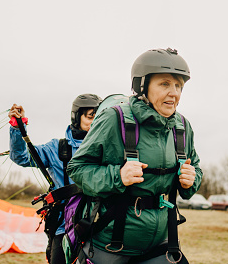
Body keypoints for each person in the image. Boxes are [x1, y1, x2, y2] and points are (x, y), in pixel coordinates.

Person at [67, 48, 202, 263]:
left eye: (179, 86)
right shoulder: (114, 119)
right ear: (142, 85)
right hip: (111, 246)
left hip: (161, 243)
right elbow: (78, 168)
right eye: (165, 84)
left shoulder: (183, 127)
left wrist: (191, 181)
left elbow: (195, 167)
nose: (174, 93)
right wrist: (117, 176)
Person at [8, 94, 102, 264]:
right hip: (64, 228)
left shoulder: (108, 147)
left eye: (99, 117)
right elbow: (21, 157)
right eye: (90, 116)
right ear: (76, 117)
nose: (95, 122)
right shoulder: (57, 149)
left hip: (100, 226)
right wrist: (17, 128)